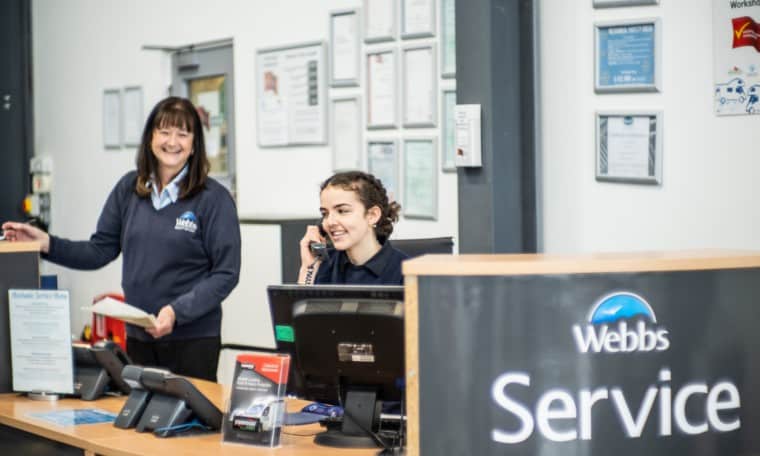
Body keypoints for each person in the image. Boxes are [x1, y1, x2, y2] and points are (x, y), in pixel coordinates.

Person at [2, 97, 241, 381]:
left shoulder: (213, 199)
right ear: (151, 137)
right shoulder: (129, 189)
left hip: (192, 339)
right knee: (142, 420)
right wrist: (46, 244)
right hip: (139, 336)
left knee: (188, 424)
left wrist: (176, 312)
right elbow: (98, 250)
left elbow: (226, 273)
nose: (172, 142)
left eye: (183, 134)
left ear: (194, 145)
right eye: (164, 132)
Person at [298, 171, 408, 285]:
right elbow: (302, 302)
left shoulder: (406, 273)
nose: (329, 222)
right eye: (325, 214)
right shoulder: (322, 264)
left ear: (372, 215)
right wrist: (308, 267)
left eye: (342, 211)